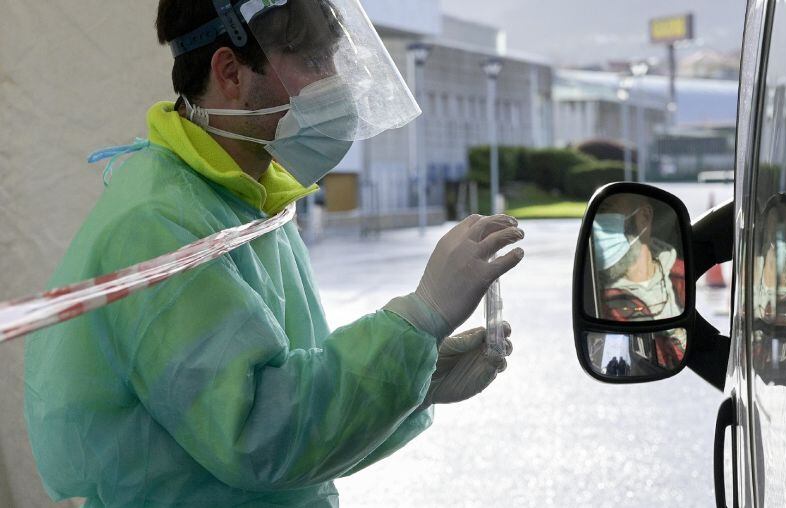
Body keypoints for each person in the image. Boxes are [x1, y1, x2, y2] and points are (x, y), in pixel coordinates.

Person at [23, 1, 525, 505]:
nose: (335, 82)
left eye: (332, 58)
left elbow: (299, 408)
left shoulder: (247, 196)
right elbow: (261, 437)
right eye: (311, 61)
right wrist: (419, 319)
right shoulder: (160, 223)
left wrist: (418, 373)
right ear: (230, 73)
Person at [591, 195, 686, 321]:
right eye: (594, 218)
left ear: (644, 217)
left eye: (606, 210)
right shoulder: (594, 290)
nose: (597, 228)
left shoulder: (680, 274)